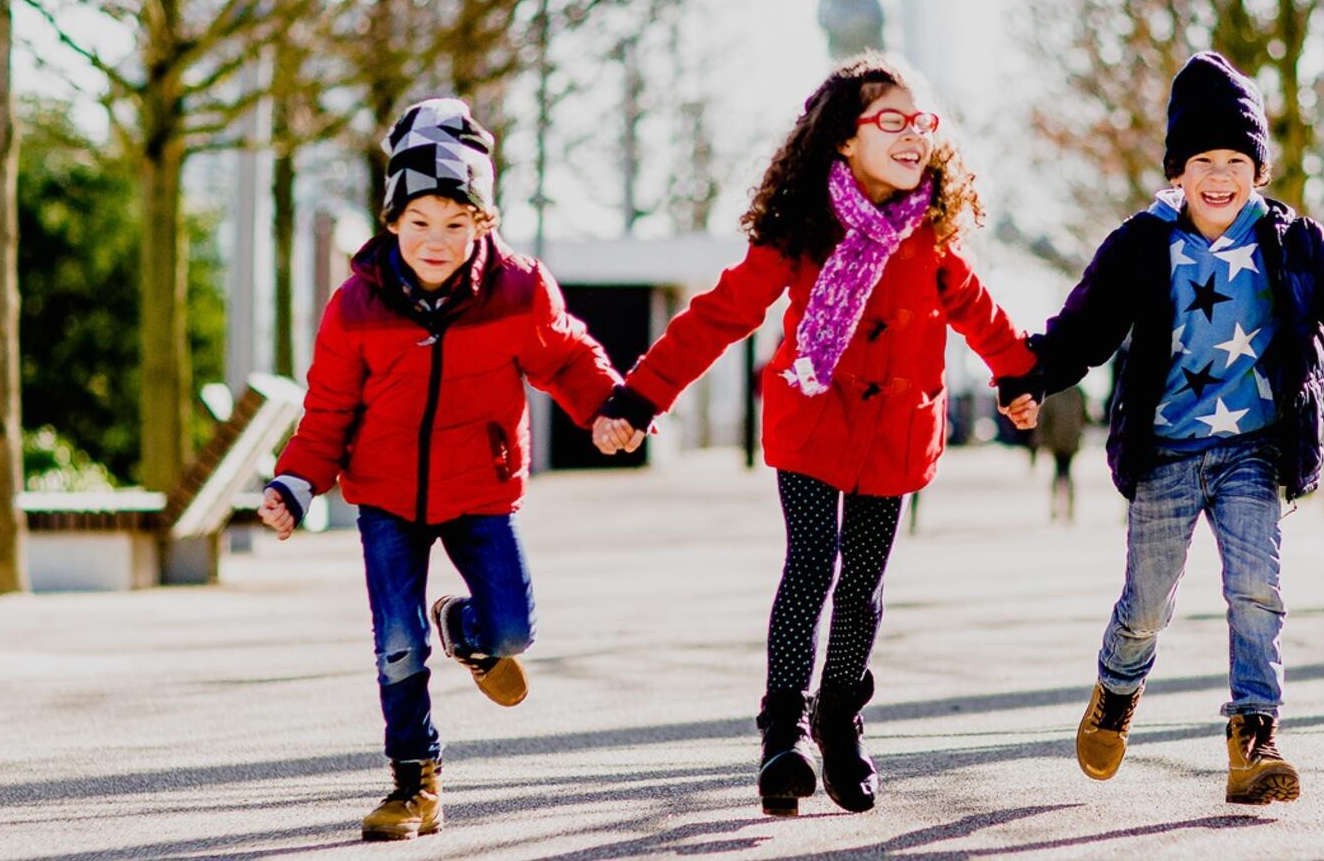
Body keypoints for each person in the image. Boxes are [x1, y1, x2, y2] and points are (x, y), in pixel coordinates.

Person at [589, 54, 1039, 817]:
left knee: (862, 587)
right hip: (815, 419)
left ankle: (840, 715)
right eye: (890, 121)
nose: (912, 136)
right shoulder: (803, 232)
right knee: (810, 564)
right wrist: (638, 397)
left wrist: (1018, 377)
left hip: (897, 432)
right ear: (843, 140)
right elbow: (719, 315)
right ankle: (782, 733)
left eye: (922, 122)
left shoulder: (931, 239)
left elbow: (983, 314)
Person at [1007, 52, 1324, 807]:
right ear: (1178, 170)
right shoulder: (1144, 242)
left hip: (1255, 447)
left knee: (1256, 588)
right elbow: (1083, 327)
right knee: (1147, 601)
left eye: (1237, 160)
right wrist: (1031, 379)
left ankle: (1254, 735)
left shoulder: (1291, 240)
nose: (1220, 176)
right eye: (1204, 161)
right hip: (1166, 447)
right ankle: (1116, 688)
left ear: (1258, 171)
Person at [254, 99, 624, 841]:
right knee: (396, 640)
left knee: (514, 630)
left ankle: (467, 627)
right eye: (420, 223)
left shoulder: (518, 289)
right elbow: (327, 410)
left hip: (480, 490)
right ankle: (412, 785)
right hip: (386, 496)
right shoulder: (356, 306)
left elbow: (566, 357)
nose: (437, 240)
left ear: (483, 223)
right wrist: (294, 484)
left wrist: (608, 406)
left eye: (457, 224)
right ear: (392, 221)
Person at [1036, 384, 1091, 523]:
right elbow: (1085, 416)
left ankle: (1055, 509)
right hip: (1072, 440)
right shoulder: (1078, 391)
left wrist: (1042, 439)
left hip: (1056, 440)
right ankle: (1069, 510)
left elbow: (1044, 417)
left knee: (1058, 474)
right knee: (1068, 474)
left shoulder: (1051, 392)